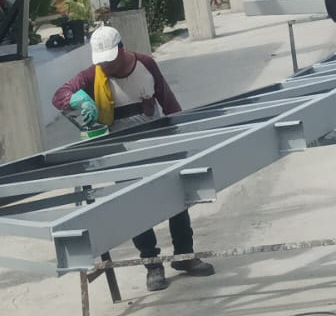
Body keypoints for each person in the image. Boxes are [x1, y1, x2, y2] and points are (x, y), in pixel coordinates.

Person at [52, 24, 215, 292]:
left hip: (158, 145)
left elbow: (169, 102)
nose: (104, 66)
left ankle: (185, 256)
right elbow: (59, 96)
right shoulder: (93, 76)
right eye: (101, 62)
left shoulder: (145, 65)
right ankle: (152, 265)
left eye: (109, 61)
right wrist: (76, 99)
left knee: (178, 200)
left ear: (121, 50)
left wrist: (184, 137)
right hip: (123, 154)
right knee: (136, 209)